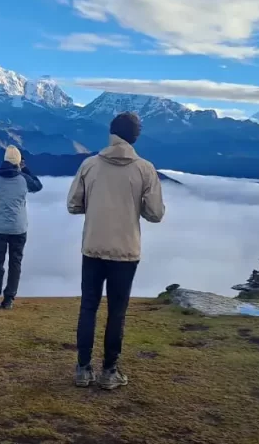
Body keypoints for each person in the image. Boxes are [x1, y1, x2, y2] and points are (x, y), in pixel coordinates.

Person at [66, 112, 165, 390]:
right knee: (117, 312)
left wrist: (96, 205)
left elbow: (73, 205)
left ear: (111, 133)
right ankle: (110, 372)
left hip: (93, 247)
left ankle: (83, 369)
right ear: (134, 136)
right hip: (126, 251)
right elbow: (155, 214)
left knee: (88, 307)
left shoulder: (89, 165)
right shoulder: (145, 169)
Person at [0, 145, 43, 310]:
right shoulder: (24, 179)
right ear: (19, 162)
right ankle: (9, 299)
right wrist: (25, 170)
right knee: (15, 262)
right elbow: (38, 186)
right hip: (18, 227)